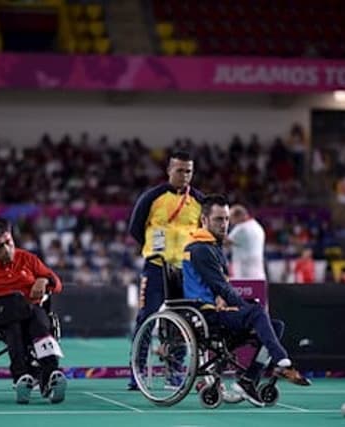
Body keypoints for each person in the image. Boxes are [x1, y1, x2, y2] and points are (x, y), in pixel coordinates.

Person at [182, 194, 310, 407]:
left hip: (216, 311)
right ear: (204, 220)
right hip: (204, 315)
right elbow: (220, 286)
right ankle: (281, 359)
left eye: (225, 219)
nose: (224, 224)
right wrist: (244, 306)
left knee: (275, 326)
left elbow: (222, 288)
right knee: (257, 313)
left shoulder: (213, 246)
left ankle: (248, 380)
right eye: (218, 219)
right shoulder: (199, 249)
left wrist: (242, 304)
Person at [0, 216, 66, 404]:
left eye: (9, 243)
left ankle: (50, 375)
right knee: (15, 317)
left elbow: (57, 285)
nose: (7, 250)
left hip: (30, 313)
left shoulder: (28, 259)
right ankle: (22, 375)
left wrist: (44, 280)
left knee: (39, 322)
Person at [126, 150, 204, 390]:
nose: (184, 175)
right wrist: (154, 250)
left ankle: (174, 372)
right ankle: (137, 373)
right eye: (180, 170)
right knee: (146, 318)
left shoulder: (200, 200)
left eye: (188, 171)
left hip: (185, 271)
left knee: (182, 323)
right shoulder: (152, 197)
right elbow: (135, 228)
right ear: (169, 170)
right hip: (156, 269)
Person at [226, 204, 266, 280]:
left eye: (231, 219)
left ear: (239, 216)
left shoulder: (241, 228)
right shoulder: (257, 226)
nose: (230, 222)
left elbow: (224, 242)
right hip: (258, 272)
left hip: (244, 272)